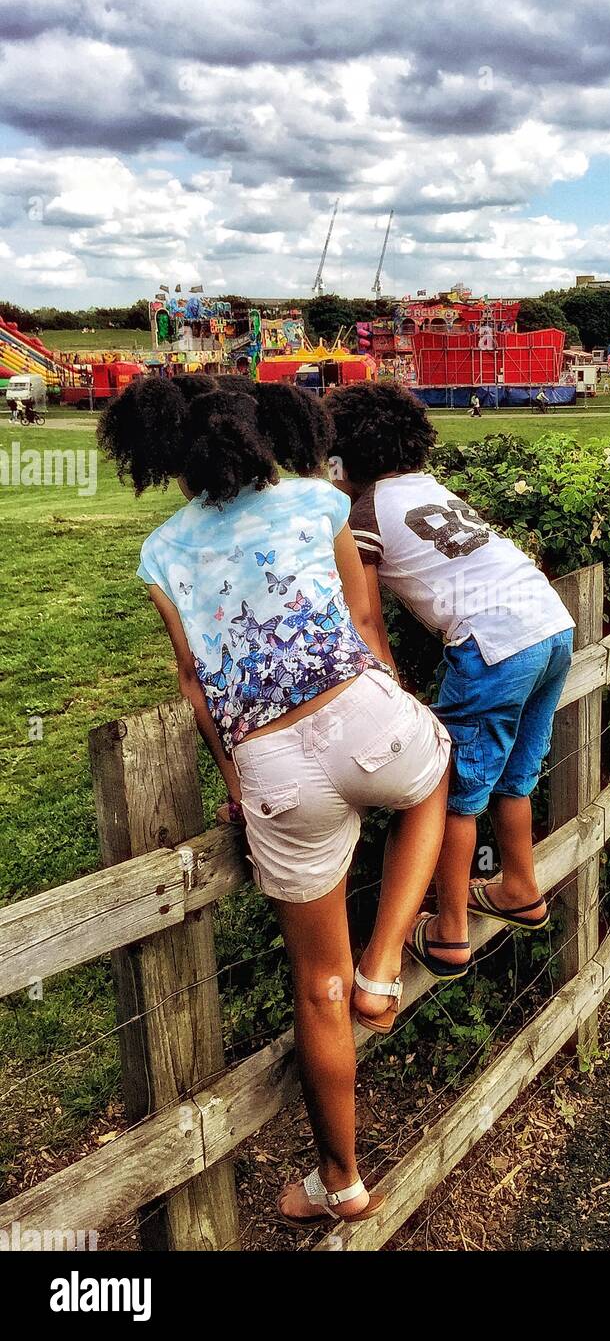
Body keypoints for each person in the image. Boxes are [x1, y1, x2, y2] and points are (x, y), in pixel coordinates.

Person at [97, 377, 450, 1228]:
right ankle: (385, 966)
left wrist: (236, 788)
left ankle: (341, 1182)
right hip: (363, 714)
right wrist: (395, 702)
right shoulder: (321, 501)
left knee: (312, 986)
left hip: (270, 767)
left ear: (166, 458)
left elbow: (195, 683)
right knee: (435, 777)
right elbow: (364, 623)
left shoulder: (161, 554)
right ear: (270, 434)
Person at [325, 382, 575, 981]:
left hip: (491, 649)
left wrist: (386, 685)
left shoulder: (362, 514)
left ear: (342, 458)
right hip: (550, 627)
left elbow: (363, 616)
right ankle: (518, 885)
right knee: (515, 775)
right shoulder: (431, 490)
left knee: (457, 791)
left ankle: (448, 931)